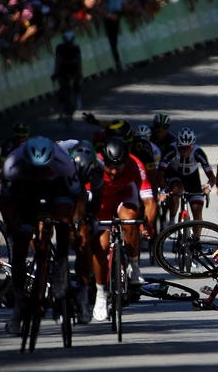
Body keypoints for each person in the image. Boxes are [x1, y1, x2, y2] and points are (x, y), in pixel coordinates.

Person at [2, 136, 82, 334]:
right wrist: (11, 226)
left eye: (42, 168)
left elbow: (78, 197)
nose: (39, 173)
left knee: (63, 217)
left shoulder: (63, 161)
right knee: (19, 247)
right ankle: (19, 306)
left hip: (57, 188)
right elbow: (6, 202)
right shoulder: (12, 164)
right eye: (35, 169)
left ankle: (61, 263)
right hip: (26, 191)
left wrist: (73, 225)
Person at [89, 137, 156, 321]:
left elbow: (149, 201)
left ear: (126, 161)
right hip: (101, 201)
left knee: (130, 220)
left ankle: (134, 267)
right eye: (110, 166)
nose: (113, 171)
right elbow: (83, 199)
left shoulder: (135, 166)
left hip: (124, 196)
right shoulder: (94, 165)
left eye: (118, 166)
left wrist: (147, 225)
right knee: (101, 246)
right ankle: (101, 294)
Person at [59, 139, 104, 324]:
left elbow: (94, 201)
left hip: (81, 195)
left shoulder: (98, 169)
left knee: (84, 240)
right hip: (57, 187)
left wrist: (87, 223)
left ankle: (83, 295)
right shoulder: (60, 161)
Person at [158, 127, 215, 224]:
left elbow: (211, 176)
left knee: (197, 214)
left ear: (193, 146)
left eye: (188, 148)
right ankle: (172, 221)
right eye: (182, 148)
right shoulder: (171, 149)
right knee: (177, 190)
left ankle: (196, 234)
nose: (185, 151)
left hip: (192, 179)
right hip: (175, 175)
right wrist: (163, 188)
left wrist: (209, 186)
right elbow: (160, 172)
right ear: (177, 145)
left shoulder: (198, 152)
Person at [53, 31, 82, 120]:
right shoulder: (59, 48)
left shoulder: (76, 48)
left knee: (77, 81)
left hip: (73, 68)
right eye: (67, 43)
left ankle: (77, 97)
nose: (68, 45)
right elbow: (57, 62)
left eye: (70, 43)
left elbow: (79, 62)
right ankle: (62, 104)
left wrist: (80, 73)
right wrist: (55, 73)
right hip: (63, 68)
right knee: (63, 84)